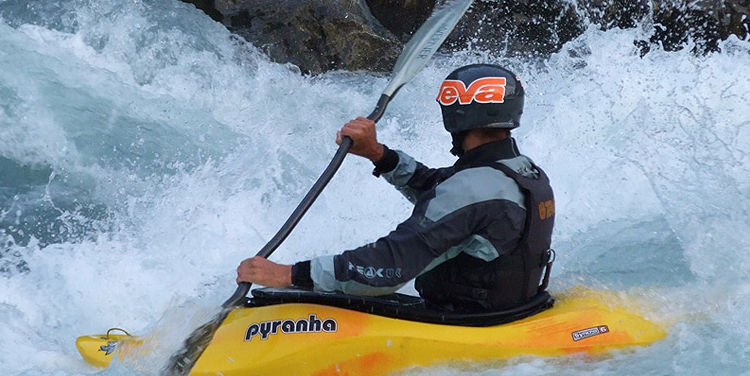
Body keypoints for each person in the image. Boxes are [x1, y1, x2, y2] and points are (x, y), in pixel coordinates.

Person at [237, 64, 555, 312]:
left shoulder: (473, 190)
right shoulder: (521, 171)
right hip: (508, 309)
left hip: (466, 320)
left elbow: (390, 266)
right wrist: (379, 154)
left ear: (457, 117)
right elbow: (440, 190)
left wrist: (289, 274)